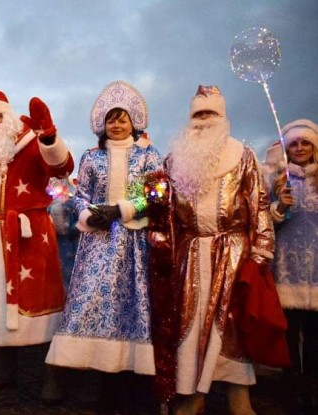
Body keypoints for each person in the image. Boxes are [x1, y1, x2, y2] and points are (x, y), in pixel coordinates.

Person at [150, 86, 274, 415]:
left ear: (222, 117)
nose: (203, 122)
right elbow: (161, 210)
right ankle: (192, 394)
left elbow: (259, 204)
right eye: (197, 115)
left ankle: (238, 395)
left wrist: (260, 253)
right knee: (187, 324)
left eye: (210, 115)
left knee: (231, 325)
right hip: (188, 253)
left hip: (233, 252)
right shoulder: (173, 161)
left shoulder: (243, 156)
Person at [46, 81, 161, 412]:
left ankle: (132, 383)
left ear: (134, 122)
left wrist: (123, 209)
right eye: (111, 118)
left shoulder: (148, 155)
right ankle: (105, 384)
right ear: (102, 124)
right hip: (98, 244)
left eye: (122, 118)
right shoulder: (91, 157)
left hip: (134, 243)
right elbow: (80, 195)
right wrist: (86, 213)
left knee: (132, 305)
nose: (117, 124)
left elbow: (158, 195)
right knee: (97, 304)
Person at [0, 89, 74, 400]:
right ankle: (5, 369)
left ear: (8, 115)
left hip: (31, 233)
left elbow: (62, 168)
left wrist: (49, 136)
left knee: (42, 301)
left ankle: (53, 375)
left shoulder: (31, 142)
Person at [268, 119, 318, 413]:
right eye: (294, 144)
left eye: (305, 143)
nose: (300, 148)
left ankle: (311, 387)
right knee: (288, 332)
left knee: (314, 335)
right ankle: (292, 386)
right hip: (287, 267)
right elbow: (266, 223)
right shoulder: (278, 180)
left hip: (316, 268)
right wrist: (281, 207)